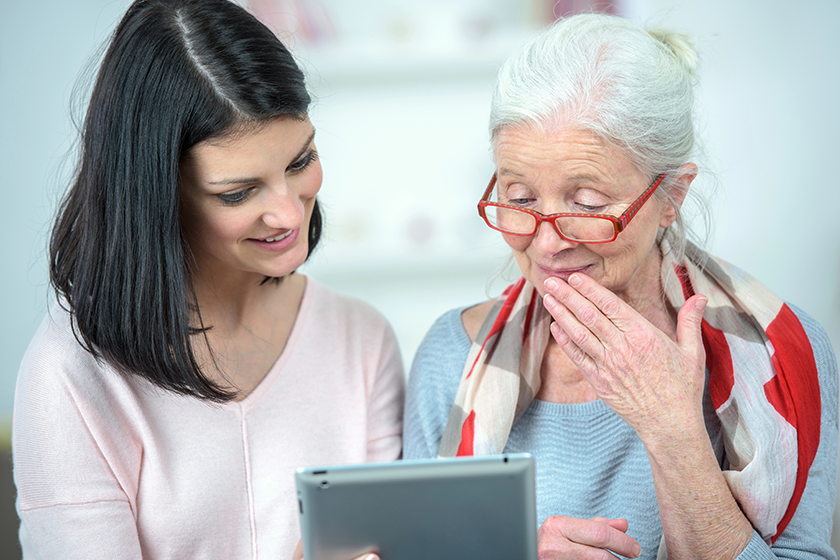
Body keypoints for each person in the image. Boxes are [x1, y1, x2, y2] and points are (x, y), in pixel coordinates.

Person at [404, 13, 837, 560]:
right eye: (519, 198)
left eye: (587, 204)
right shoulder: (451, 356)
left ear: (672, 195)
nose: (546, 244)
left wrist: (672, 429)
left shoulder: (780, 358)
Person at [12, 1, 403, 558]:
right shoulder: (73, 372)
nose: (289, 214)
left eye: (300, 161)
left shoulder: (361, 340)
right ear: (157, 194)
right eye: (238, 193)